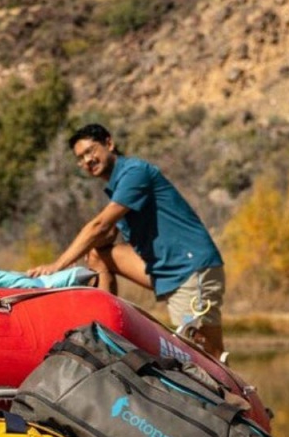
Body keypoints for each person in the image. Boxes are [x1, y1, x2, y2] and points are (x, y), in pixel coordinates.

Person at [27, 123, 226, 358]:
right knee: (98, 255)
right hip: (164, 271)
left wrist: (57, 266)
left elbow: (99, 225)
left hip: (192, 268)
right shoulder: (118, 186)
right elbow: (106, 233)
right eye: (80, 158)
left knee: (204, 354)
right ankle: (104, 331)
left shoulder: (135, 173)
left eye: (90, 151)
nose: (87, 160)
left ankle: (232, 393)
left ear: (109, 144)